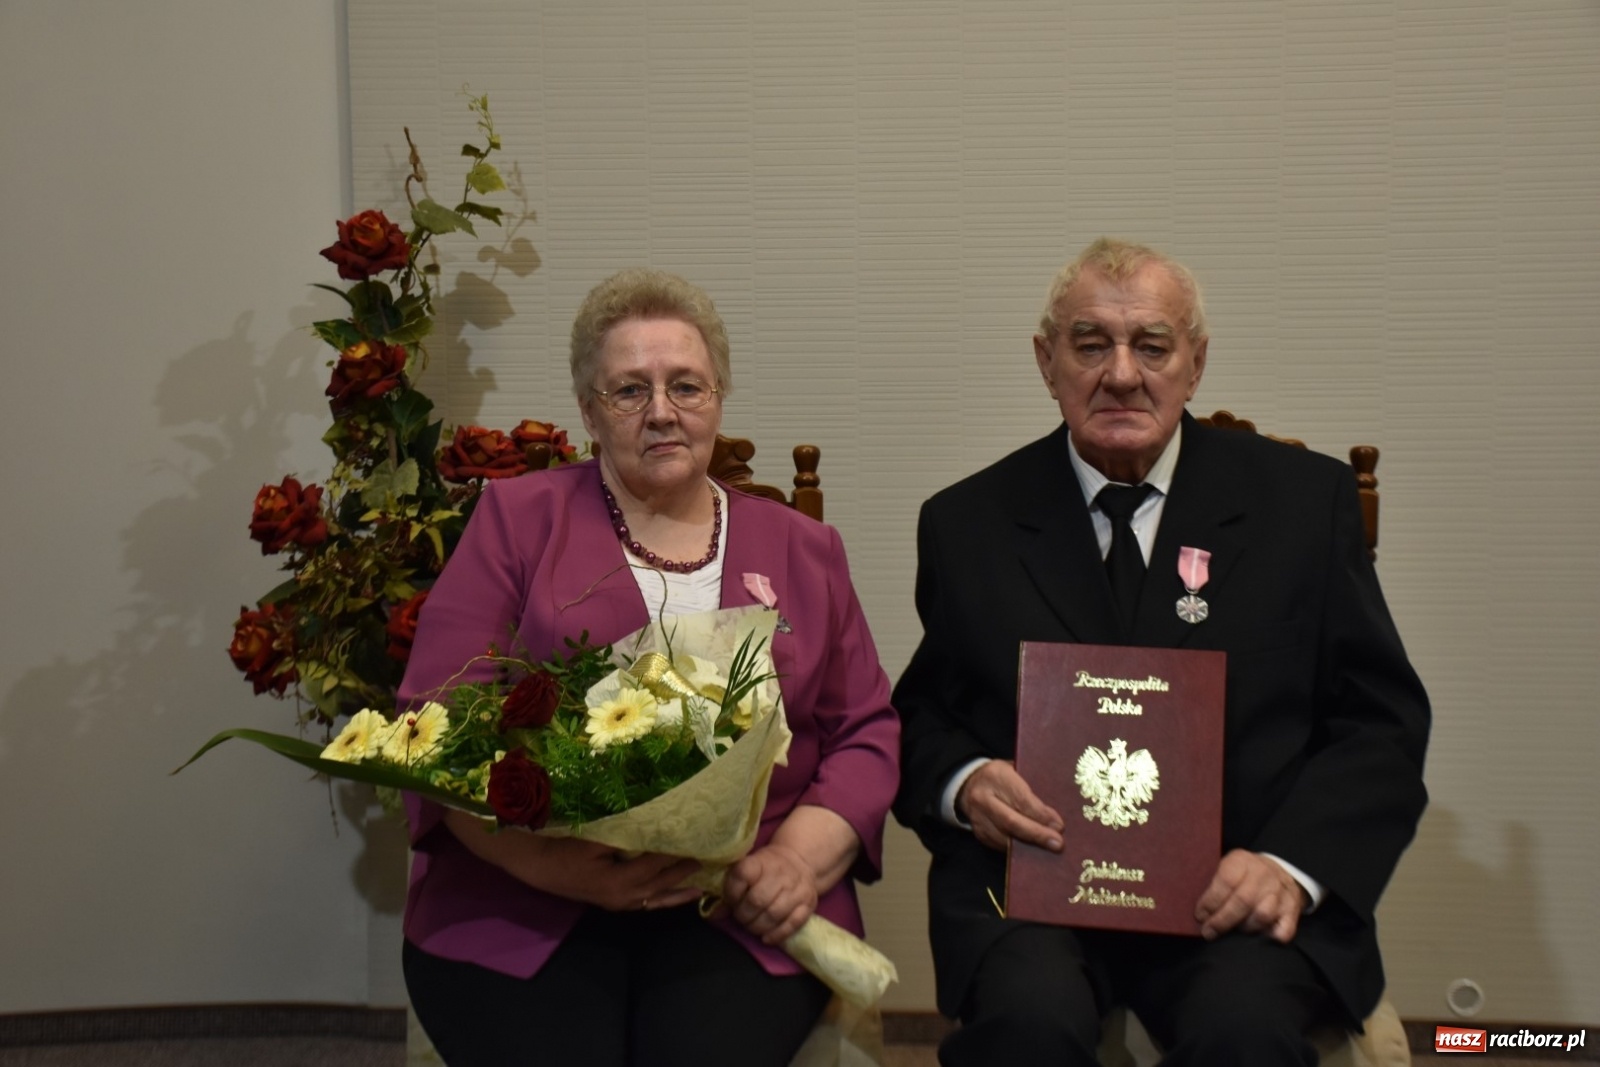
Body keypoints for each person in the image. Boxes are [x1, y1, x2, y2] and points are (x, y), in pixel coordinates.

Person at [893, 238, 1430, 1065]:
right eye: (1089, 344)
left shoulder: (1302, 505)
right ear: (1046, 361)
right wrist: (967, 785)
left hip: (1237, 890)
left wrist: (1289, 867)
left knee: (1242, 1032)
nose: (1120, 373)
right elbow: (925, 714)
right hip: (1039, 892)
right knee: (1028, 1026)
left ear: (1195, 362)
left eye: (1151, 344)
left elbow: (1381, 723)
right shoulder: (968, 522)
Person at [398, 268, 899, 1066]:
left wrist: (794, 862)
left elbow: (864, 731)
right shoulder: (514, 521)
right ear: (589, 411)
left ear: (719, 397)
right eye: (630, 390)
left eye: (686, 386)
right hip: (527, 899)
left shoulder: (806, 549)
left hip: (738, 903)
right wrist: (561, 867)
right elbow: (432, 725)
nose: (662, 411)